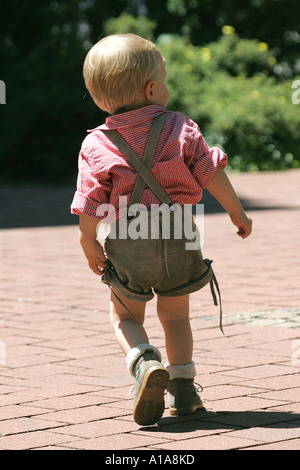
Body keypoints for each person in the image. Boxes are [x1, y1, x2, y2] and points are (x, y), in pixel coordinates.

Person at [71, 33, 252, 426]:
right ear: (152, 89)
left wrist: (88, 242)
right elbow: (210, 174)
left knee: (125, 317)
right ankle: (184, 392)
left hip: (128, 239)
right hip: (179, 234)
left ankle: (145, 362)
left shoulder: (97, 144)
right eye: (165, 80)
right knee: (175, 317)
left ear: (100, 99)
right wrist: (237, 213)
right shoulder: (179, 127)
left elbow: (88, 201)